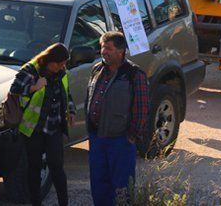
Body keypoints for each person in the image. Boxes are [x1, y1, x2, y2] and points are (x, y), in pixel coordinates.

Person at [86, 31, 149, 206]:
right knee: (98, 184)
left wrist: (132, 135)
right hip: (97, 138)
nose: (103, 52)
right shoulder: (97, 69)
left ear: (120, 51)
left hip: (121, 140)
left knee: (122, 187)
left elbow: (142, 108)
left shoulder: (134, 74)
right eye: (102, 48)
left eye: (108, 48)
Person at [11, 43, 75, 206]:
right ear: (49, 60)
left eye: (64, 64)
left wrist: (71, 111)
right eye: (59, 63)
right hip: (34, 128)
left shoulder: (61, 72)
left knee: (57, 167)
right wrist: (34, 87)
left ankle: (63, 203)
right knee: (34, 167)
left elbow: (66, 93)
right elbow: (15, 89)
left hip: (54, 127)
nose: (62, 67)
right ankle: (35, 203)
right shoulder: (30, 70)